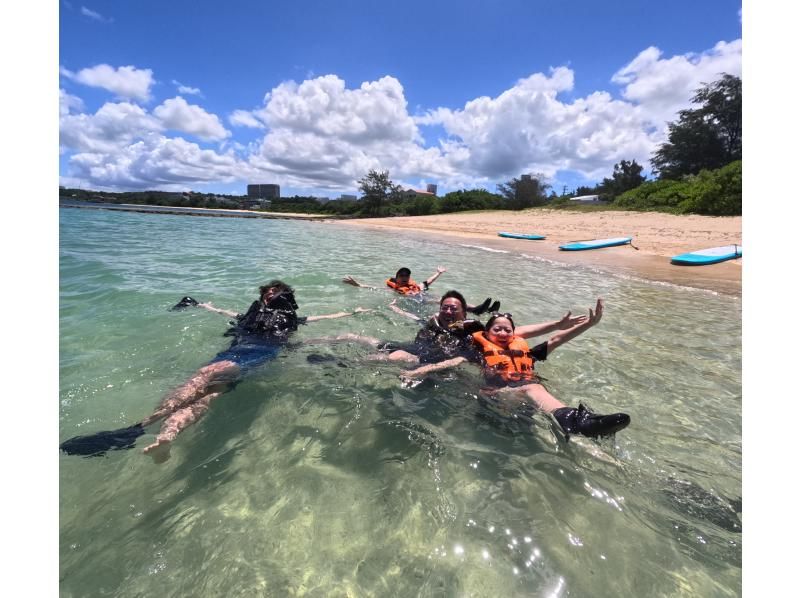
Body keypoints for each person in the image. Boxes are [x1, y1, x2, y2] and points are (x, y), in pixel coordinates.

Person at [59, 280, 368, 462]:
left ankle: (138, 428)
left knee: (203, 376)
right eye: (268, 291)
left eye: (274, 291)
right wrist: (203, 305)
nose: (269, 295)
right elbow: (225, 312)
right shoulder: (263, 315)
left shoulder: (287, 317)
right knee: (209, 395)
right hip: (254, 357)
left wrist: (354, 311)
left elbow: (326, 316)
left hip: (251, 353)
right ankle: (168, 434)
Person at [402, 300, 631, 439]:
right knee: (532, 388)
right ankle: (575, 420)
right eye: (497, 330)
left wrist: (589, 324)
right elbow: (453, 362)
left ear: (514, 334)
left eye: (507, 330)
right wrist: (420, 371)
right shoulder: (479, 352)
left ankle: (578, 427)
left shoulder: (528, 353)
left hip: (523, 404)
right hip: (496, 398)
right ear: (488, 334)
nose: (502, 333)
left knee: (531, 398)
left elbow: (558, 339)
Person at [335, 290, 588, 366]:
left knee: (396, 356)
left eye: (453, 308)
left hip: (431, 359)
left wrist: (556, 324)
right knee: (356, 336)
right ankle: (317, 344)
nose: (447, 310)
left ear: (464, 312)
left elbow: (518, 332)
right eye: (445, 306)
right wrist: (394, 308)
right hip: (416, 347)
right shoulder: (433, 322)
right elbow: (413, 318)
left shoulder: (473, 327)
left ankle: (342, 364)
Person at [343, 266, 499, 315]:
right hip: (416, 302)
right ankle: (476, 310)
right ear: (396, 278)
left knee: (450, 299)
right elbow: (372, 288)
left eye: (407, 275)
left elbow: (428, 282)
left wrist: (439, 272)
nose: (404, 277)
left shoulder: (415, 286)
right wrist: (357, 285)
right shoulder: (394, 290)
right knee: (443, 301)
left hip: (423, 297)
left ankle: (481, 310)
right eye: (401, 276)